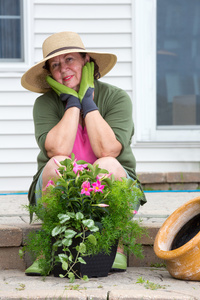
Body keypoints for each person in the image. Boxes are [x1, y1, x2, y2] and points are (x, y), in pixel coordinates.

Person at [21, 31, 146, 275]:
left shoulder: (116, 97)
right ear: (50, 74)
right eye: (55, 65)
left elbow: (107, 149)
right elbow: (57, 150)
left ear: (86, 61)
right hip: (59, 186)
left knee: (108, 163)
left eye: (70, 60)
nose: (63, 69)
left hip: (114, 184)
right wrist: (72, 103)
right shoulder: (45, 104)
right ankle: (50, 247)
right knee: (58, 162)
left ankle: (115, 244)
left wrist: (88, 101)